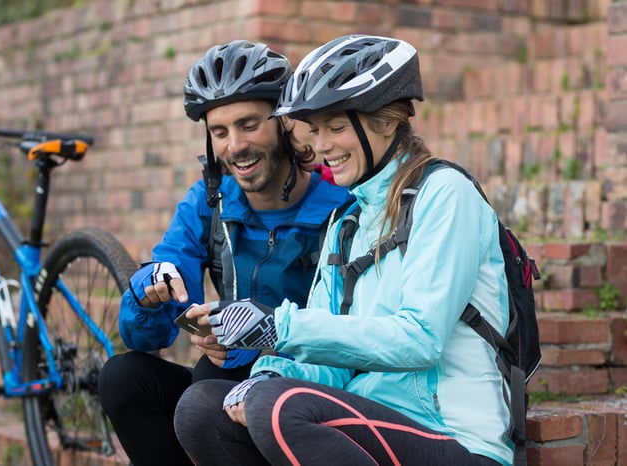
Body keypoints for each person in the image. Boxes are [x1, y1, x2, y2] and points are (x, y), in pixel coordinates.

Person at [174, 34, 513, 466]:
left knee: (278, 406)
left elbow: (420, 340)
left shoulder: (445, 195)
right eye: (315, 130)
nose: (321, 145)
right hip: (369, 424)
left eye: (335, 127)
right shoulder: (346, 222)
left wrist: (281, 328)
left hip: (454, 438)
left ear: (386, 123)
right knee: (202, 407)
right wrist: (272, 370)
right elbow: (330, 364)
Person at [96, 39, 352, 466]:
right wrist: (150, 291)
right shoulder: (208, 203)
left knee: (210, 379)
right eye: (220, 132)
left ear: (284, 124)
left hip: (312, 388)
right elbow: (148, 335)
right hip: (223, 385)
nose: (235, 145)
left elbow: (354, 334)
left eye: (249, 124)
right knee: (124, 378)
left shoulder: (341, 206)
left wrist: (261, 343)